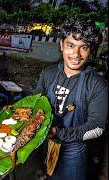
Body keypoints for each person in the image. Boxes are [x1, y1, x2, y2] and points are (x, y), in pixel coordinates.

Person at [34, 16, 108, 180]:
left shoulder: (97, 84)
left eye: (84, 47)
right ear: (61, 45)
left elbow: (97, 127)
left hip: (73, 152)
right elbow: (35, 102)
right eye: (71, 45)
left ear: (91, 51)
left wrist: (58, 133)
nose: (76, 54)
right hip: (48, 146)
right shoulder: (49, 73)